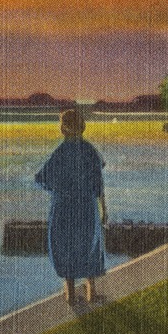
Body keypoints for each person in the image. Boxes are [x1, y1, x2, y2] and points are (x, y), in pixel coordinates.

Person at [35, 108, 107, 304]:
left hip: (63, 207)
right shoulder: (90, 150)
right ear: (82, 126)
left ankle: (71, 294)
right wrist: (104, 209)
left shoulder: (60, 152)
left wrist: (59, 190)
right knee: (89, 245)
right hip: (86, 206)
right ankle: (91, 292)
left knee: (65, 246)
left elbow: (41, 178)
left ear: (64, 128)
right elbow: (98, 184)